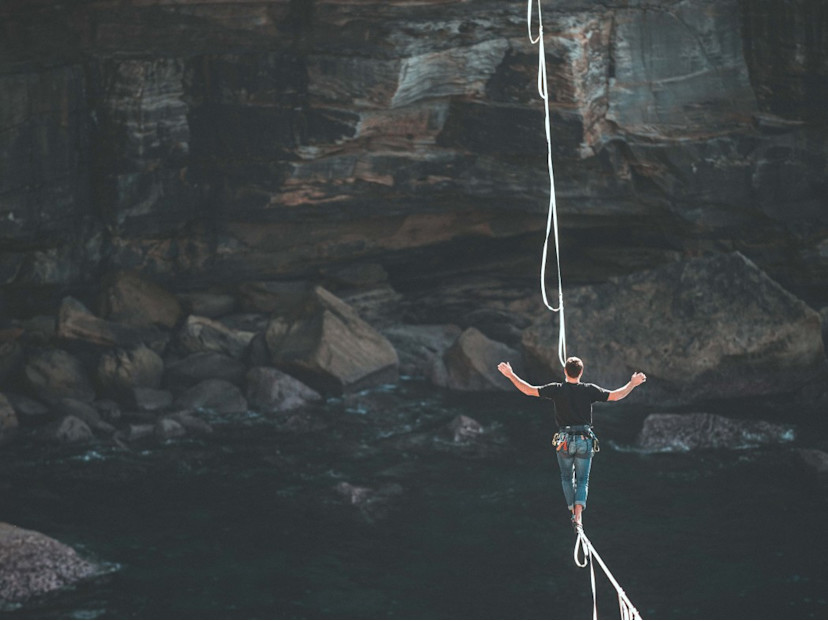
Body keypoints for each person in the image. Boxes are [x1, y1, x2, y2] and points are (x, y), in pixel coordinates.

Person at [497, 357, 646, 530]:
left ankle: (572, 511)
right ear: (581, 372)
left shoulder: (557, 389)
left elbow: (529, 390)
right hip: (584, 439)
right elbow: (615, 395)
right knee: (583, 480)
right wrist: (632, 383)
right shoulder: (589, 390)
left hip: (564, 441)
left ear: (564, 371)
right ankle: (578, 516)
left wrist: (510, 375)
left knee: (567, 477)